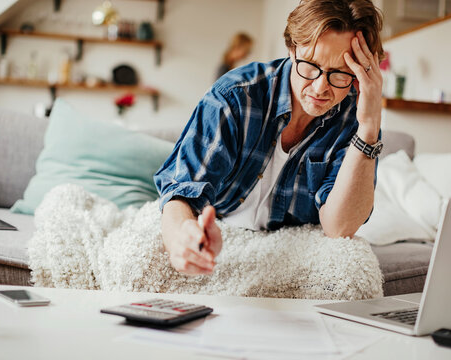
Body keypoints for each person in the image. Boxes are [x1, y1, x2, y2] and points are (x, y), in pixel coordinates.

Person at [154, 0, 385, 276]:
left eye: (340, 74)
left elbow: (339, 228)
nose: (321, 88)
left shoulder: (355, 117)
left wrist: (369, 127)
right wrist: (184, 237)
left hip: (288, 248)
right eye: (310, 65)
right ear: (291, 49)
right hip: (221, 225)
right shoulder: (235, 97)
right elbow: (181, 191)